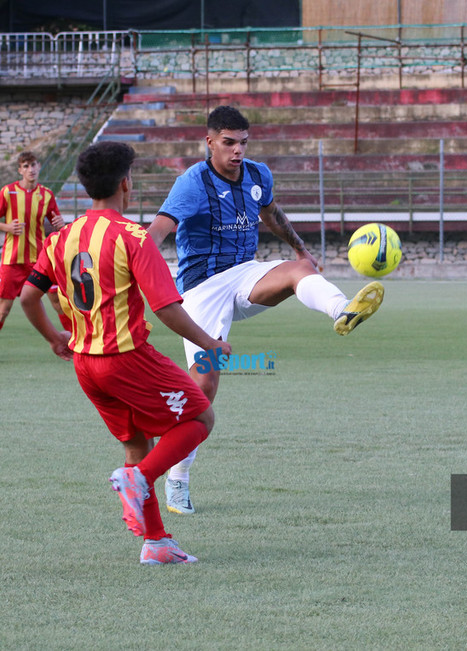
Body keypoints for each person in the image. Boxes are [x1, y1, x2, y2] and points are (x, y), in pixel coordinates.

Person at [146, 105, 384, 514]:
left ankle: (342, 310)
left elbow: (270, 213)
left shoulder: (257, 175)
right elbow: (158, 232)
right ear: (210, 142)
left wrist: (300, 248)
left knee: (300, 271)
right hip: (201, 289)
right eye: (228, 143)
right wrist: (141, 271)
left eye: (243, 143)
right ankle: (178, 478)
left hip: (245, 275)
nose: (237, 151)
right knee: (204, 387)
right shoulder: (192, 183)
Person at [20, 141, 230, 565]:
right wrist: (210, 343)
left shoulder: (60, 238)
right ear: (126, 184)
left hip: (85, 366)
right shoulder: (132, 237)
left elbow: (28, 296)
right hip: (127, 358)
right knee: (200, 418)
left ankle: (156, 543)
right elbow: (165, 307)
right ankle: (142, 480)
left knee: (137, 446)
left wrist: (54, 337)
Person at [0, 150, 63, 364]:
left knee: (58, 301)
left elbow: (57, 223)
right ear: (20, 170)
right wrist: (7, 227)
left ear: (39, 166)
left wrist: (61, 224)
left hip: (39, 261)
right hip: (12, 261)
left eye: (33, 165)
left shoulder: (47, 195)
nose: (31, 169)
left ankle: (77, 346)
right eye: (26, 166)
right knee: (3, 310)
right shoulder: (8, 191)